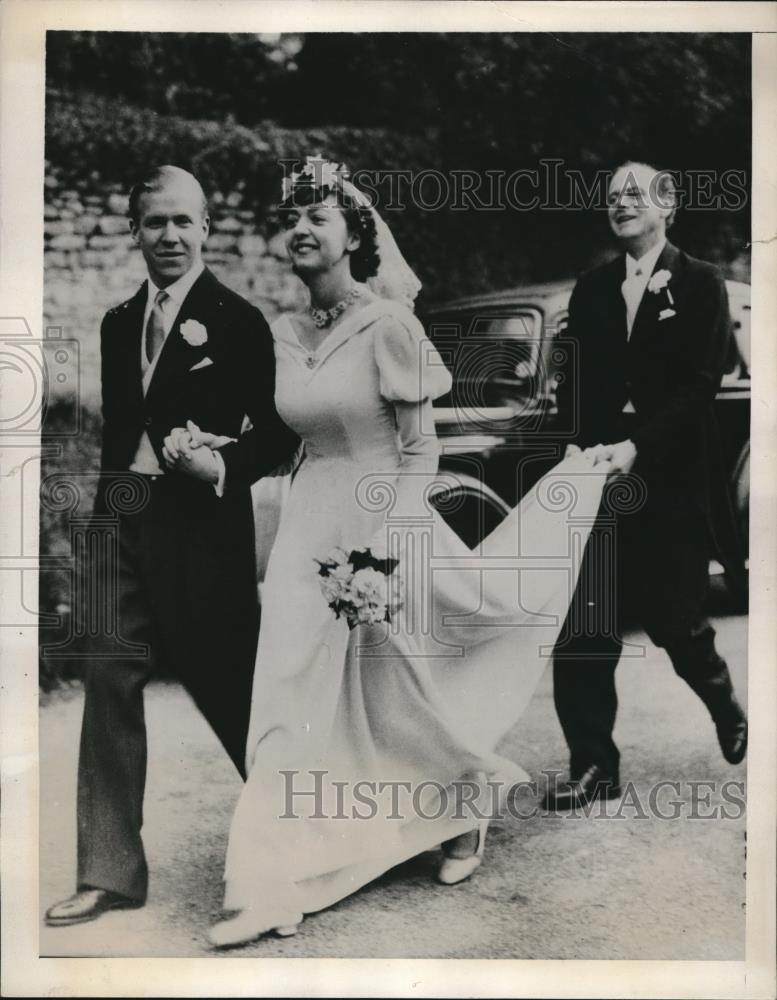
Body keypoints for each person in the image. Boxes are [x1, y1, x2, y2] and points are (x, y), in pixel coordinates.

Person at [164, 157, 610, 948]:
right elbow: (277, 441)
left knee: (396, 697)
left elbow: (419, 454)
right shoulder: (281, 333)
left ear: (353, 237)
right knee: (287, 702)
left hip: (382, 526)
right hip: (306, 529)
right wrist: (213, 455)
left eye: (320, 218)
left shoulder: (389, 327)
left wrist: (379, 555)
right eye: (293, 219)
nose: (301, 229)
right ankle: (268, 884)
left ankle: (466, 800)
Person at [44, 166, 299, 928]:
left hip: (201, 531)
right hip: (121, 519)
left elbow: (280, 434)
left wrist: (220, 464)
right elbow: (124, 430)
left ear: (207, 228)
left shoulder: (238, 319)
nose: (171, 236)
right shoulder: (119, 321)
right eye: (155, 222)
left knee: (233, 693)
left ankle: (302, 846)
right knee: (107, 681)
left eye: (184, 222)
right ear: (134, 231)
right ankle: (109, 872)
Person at [545, 160, 748, 810]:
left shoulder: (699, 284)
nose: (619, 203)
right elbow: (573, 382)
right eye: (611, 197)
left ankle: (721, 700)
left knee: (673, 619)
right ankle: (592, 764)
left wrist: (638, 447)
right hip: (598, 476)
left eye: (633, 194)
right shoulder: (592, 287)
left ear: (668, 206)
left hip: (670, 477)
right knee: (583, 623)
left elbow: (698, 388)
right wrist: (577, 452)